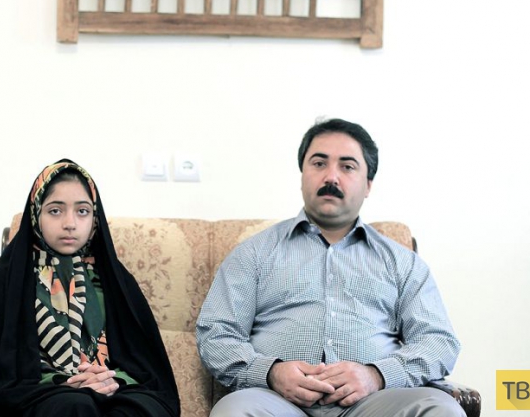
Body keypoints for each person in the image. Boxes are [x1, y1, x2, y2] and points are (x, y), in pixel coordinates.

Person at [196, 118, 465, 417]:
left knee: (440, 409)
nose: (331, 177)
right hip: (275, 402)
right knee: (235, 411)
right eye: (319, 163)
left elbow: (438, 341)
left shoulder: (402, 262)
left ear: (368, 184)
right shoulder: (254, 253)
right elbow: (217, 333)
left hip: (375, 403)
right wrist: (270, 373)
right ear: (302, 174)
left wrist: (377, 375)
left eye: (347, 166)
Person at [0, 159, 180, 417]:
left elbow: (143, 361)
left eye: (82, 211)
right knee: (76, 406)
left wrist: (108, 379)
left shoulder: (114, 277)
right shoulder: (10, 277)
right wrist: (68, 382)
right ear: (36, 213)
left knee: (139, 410)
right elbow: (7, 363)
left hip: (115, 384)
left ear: (94, 218)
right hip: (39, 389)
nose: (70, 223)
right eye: (55, 211)